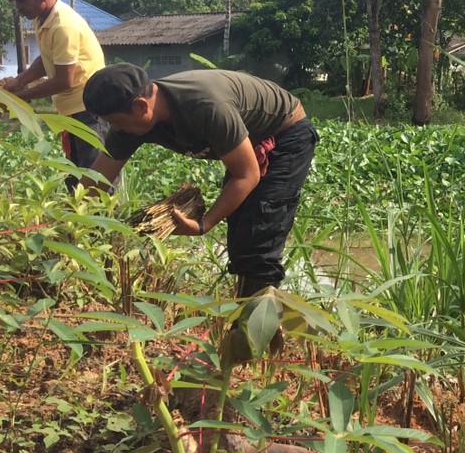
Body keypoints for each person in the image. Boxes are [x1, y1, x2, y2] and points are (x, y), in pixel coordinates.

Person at [82, 63, 318, 306]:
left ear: (142, 106)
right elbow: (95, 181)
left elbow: (247, 175)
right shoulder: (133, 119)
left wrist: (203, 224)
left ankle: (256, 331)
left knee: (259, 237)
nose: (115, 130)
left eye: (116, 123)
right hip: (247, 137)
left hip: (284, 133)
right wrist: (68, 225)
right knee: (239, 239)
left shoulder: (205, 107)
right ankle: (243, 320)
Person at [0, 0, 107, 187]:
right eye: (15, 2)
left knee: (95, 177)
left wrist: (22, 97)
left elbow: (63, 79)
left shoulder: (63, 25)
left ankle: (102, 221)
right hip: (71, 110)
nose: (19, 8)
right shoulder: (42, 18)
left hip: (89, 108)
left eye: (22, 1)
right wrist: (19, 81)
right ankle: (81, 222)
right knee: (75, 175)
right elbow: (47, 60)